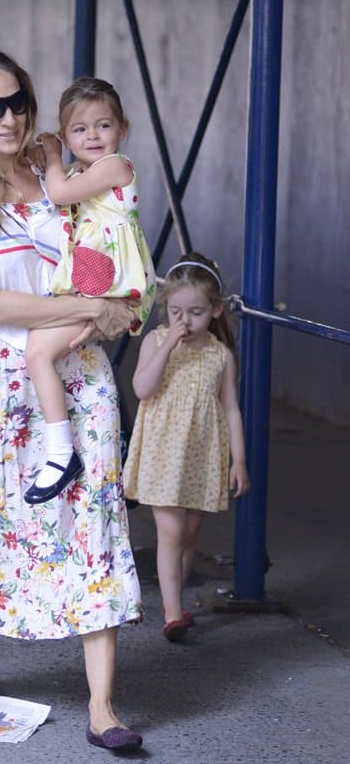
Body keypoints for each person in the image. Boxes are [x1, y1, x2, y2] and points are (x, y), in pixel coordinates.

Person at [0, 48, 144, 752]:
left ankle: (103, 704)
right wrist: (91, 306)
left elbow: (111, 244)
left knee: (95, 523)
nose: (10, 117)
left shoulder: (63, 173)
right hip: (3, 373)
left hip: (81, 374)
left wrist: (121, 305)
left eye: (18, 100)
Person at [22, 77, 156, 505]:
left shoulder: (115, 166)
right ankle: (103, 447)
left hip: (109, 284)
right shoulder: (87, 173)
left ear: (123, 129)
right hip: (94, 280)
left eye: (103, 125)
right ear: (67, 133)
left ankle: (61, 453)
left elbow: (59, 193)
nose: (93, 136)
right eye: (80, 129)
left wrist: (52, 155)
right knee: (59, 359)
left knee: (38, 352)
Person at [123, 252, 250, 641]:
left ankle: (174, 601)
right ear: (166, 309)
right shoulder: (157, 342)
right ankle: (173, 612)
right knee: (172, 533)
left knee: (190, 533)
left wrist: (239, 461)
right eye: (177, 311)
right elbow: (143, 389)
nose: (185, 321)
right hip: (163, 453)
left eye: (195, 312)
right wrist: (168, 346)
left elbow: (231, 409)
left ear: (214, 311)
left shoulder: (220, 355)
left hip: (201, 455)